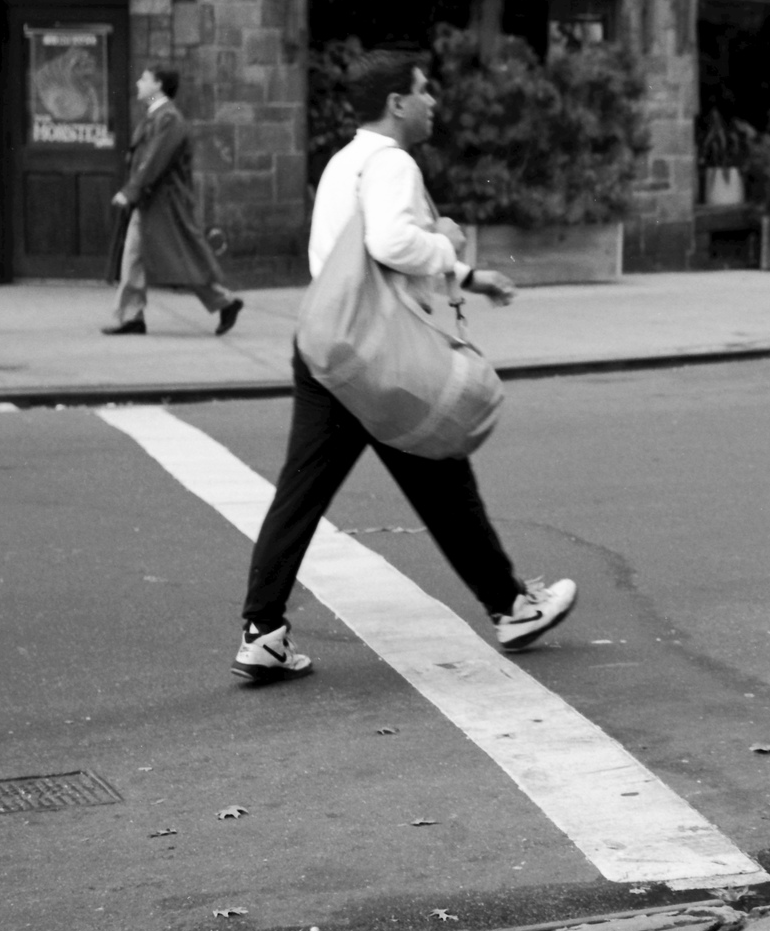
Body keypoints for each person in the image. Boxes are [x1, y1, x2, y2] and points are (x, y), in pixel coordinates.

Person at [233, 48, 575, 683]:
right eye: (424, 91)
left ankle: (263, 632)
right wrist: (448, 245)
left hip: (326, 345)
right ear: (397, 103)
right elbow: (389, 242)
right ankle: (511, 608)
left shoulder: (344, 162)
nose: (432, 101)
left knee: (301, 492)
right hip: (379, 359)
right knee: (443, 476)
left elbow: (352, 258)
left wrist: (467, 275)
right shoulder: (393, 162)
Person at [103, 67, 242, 337]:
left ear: (158, 85)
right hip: (151, 201)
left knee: (181, 257)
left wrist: (130, 191)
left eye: (144, 79)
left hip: (165, 203)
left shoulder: (169, 119)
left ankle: (225, 302)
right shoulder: (157, 116)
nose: (138, 83)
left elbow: (154, 160)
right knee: (133, 257)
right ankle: (132, 316)